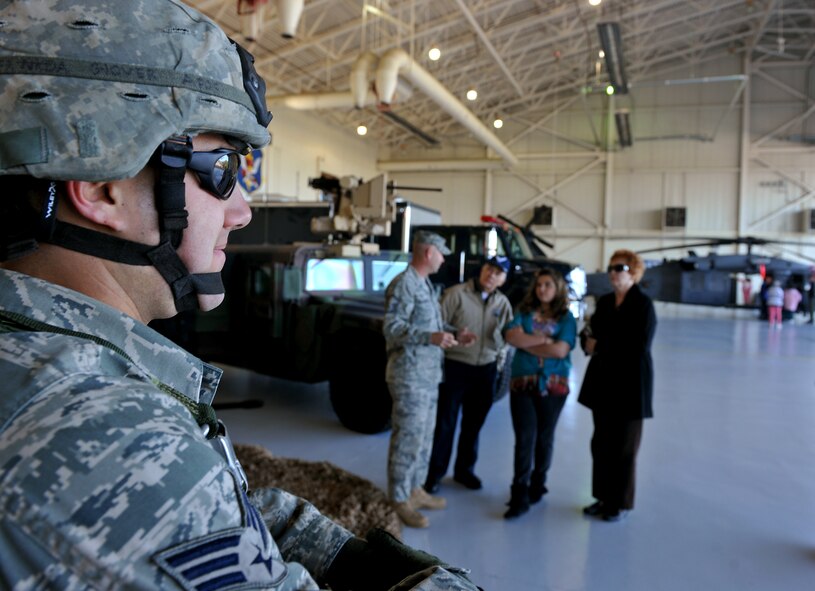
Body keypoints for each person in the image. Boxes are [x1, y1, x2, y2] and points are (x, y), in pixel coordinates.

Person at [0, 3, 480, 590]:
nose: (242, 211)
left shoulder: (50, 360)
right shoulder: (104, 434)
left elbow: (209, 508)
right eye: (223, 169)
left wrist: (342, 555)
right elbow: (166, 495)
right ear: (102, 188)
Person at [383, 230, 476, 529]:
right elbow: (392, 327)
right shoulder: (404, 284)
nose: (444, 259)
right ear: (428, 253)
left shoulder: (423, 283)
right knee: (407, 438)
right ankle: (399, 498)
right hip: (409, 376)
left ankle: (415, 490)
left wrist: (454, 332)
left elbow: (430, 323)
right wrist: (430, 337)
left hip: (428, 375)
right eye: (441, 253)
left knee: (423, 438)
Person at [578, 250, 657, 522]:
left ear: (633, 272)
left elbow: (639, 345)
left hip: (631, 387)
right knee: (601, 444)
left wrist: (601, 345)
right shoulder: (605, 302)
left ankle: (619, 503)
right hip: (604, 385)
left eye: (619, 268)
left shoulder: (643, 305)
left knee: (624, 448)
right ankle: (601, 497)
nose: (613, 273)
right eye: (611, 268)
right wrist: (587, 341)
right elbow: (591, 332)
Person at [424, 256, 514, 494]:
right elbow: (435, 324)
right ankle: (434, 474)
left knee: (473, 425)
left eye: (498, 273)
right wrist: (456, 333)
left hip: (486, 370)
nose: (491, 275)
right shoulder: (456, 294)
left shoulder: (502, 303)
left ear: (504, 279)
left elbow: (509, 334)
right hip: (456, 366)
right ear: (482, 269)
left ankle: (464, 470)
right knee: (445, 424)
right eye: (489, 269)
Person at [502, 268, 577, 519]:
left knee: (544, 438)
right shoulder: (523, 312)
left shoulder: (566, 318)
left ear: (557, 288)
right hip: (522, 383)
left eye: (547, 285)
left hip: (554, 386)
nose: (542, 289)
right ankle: (519, 493)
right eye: (539, 285)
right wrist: (545, 341)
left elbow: (561, 351)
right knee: (524, 438)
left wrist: (528, 342)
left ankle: (538, 483)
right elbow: (511, 337)